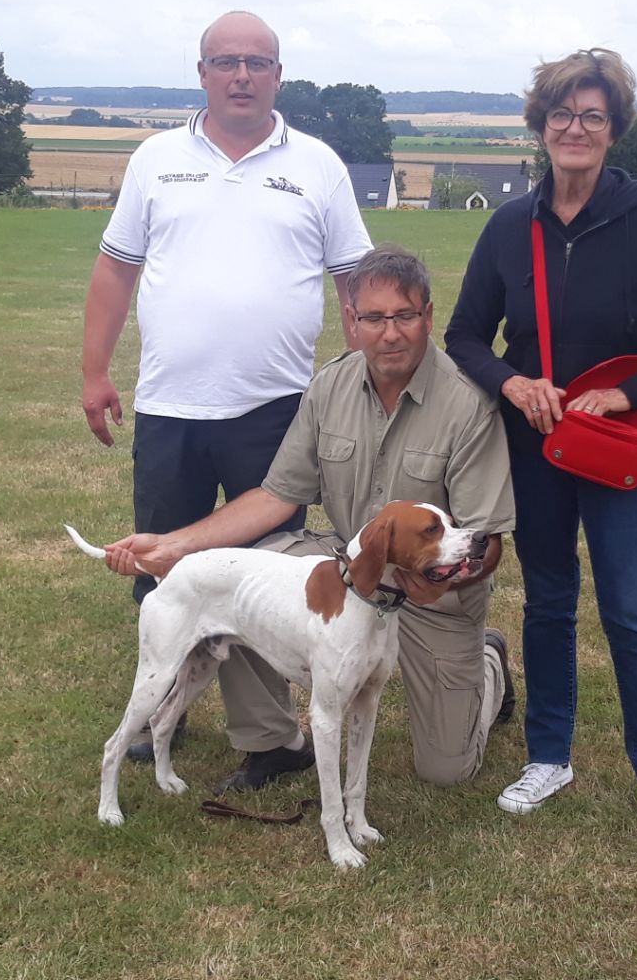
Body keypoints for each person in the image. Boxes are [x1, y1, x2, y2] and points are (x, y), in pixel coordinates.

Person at [445, 49, 637, 843]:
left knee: (629, 611)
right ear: (541, 127)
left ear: (614, 131)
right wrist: (513, 384)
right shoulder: (511, 226)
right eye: (562, 115)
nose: (575, 129)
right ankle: (549, 754)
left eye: (593, 116)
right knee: (547, 602)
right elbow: (465, 334)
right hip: (535, 448)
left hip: (622, 452)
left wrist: (634, 391)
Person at [104, 245, 517, 793]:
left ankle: (487, 664)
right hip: (351, 572)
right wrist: (176, 545)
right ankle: (274, 740)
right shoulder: (328, 387)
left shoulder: (469, 404)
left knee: (444, 770)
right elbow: (276, 497)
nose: (389, 333)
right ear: (352, 321)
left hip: (436, 598)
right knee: (238, 575)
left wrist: (442, 577)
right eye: (372, 318)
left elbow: (486, 543)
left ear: (428, 317)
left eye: (404, 316)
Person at [80, 11, 371, 760]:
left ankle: (268, 741)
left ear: (278, 75)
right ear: (202, 72)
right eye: (226, 61)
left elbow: (355, 284)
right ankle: (155, 716)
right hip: (170, 407)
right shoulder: (154, 159)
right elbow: (117, 268)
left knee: (267, 581)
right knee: (162, 564)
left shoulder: (318, 165)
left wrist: (370, 378)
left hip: (274, 410)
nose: (242, 75)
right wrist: (93, 372)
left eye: (257, 62)